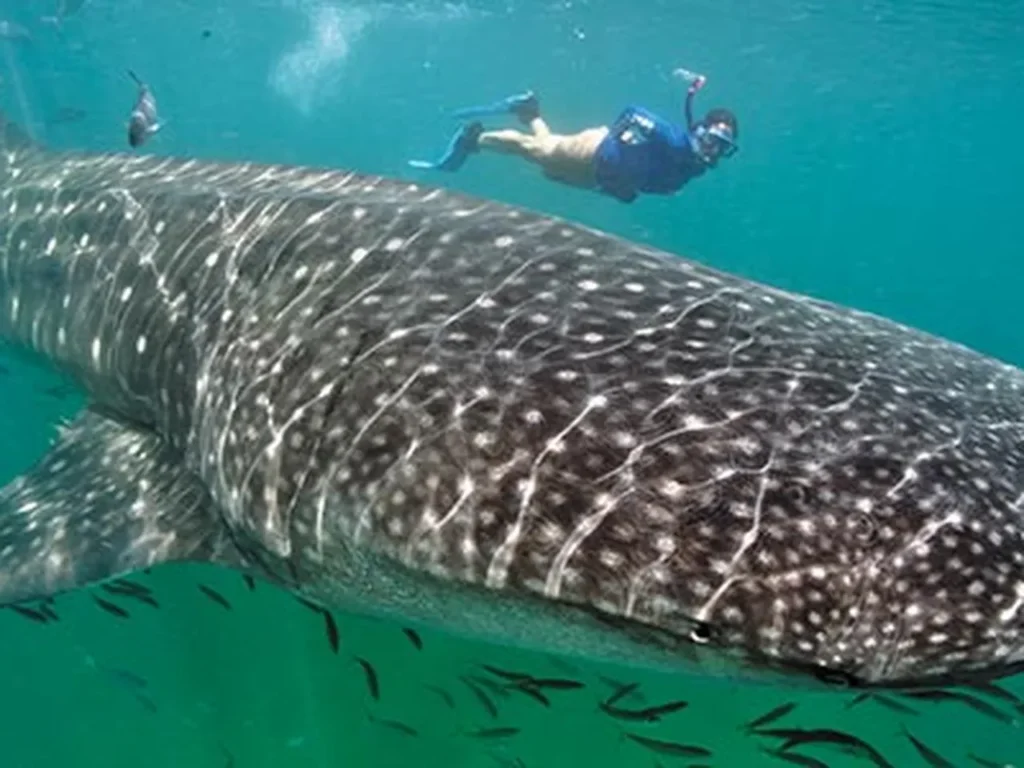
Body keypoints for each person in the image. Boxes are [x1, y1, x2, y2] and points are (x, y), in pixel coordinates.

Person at [408, 70, 738, 204]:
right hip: (594, 152)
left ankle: (529, 111)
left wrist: (619, 187)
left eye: (723, 148)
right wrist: (614, 146)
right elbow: (632, 112)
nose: (713, 151)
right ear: (699, 130)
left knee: (547, 155)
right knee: (536, 151)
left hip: (597, 173)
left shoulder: (690, 168)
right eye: (712, 140)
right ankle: (474, 139)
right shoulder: (674, 140)